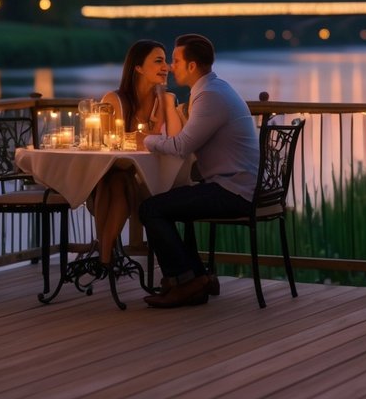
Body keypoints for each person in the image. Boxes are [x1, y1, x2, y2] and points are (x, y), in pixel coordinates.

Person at [138, 33, 259, 308]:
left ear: (192, 66)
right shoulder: (213, 90)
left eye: (176, 60)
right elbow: (189, 142)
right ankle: (196, 278)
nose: (170, 66)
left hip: (233, 190)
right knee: (174, 198)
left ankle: (185, 281)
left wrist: (146, 140)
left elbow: (181, 147)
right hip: (237, 184)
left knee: (151, 209)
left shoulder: (210, 96)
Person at [91, 39, 183, 265]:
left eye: (166, 61)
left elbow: (175, 142)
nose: (167, 67)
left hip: (158, 183)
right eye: (159, 61)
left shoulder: (168, 100)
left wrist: (164, 100)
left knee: (116, 181)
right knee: (116, 179)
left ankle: (104, 257)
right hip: (116, 176)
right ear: (138, 67)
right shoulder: (114, 101)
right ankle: (106, 256)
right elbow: (107, 146)